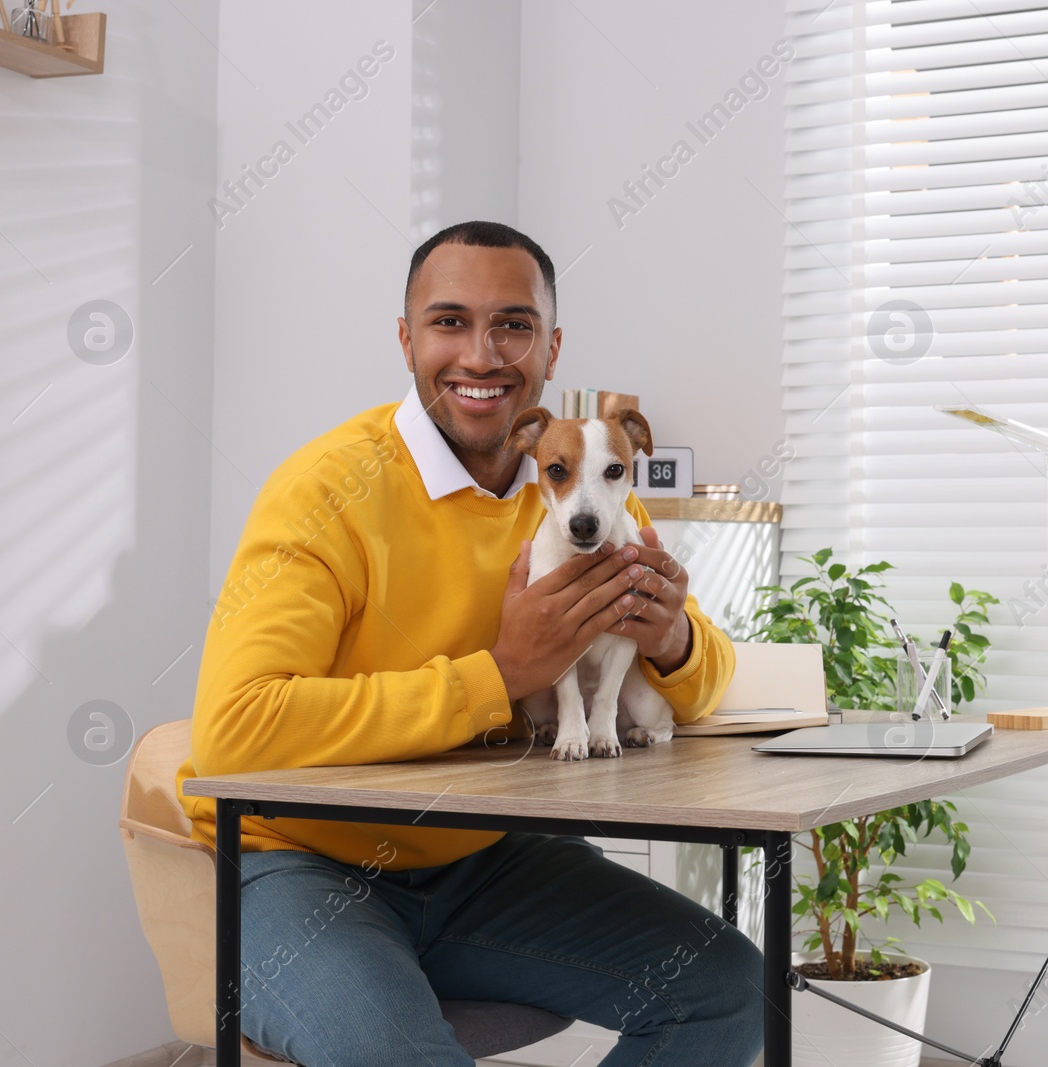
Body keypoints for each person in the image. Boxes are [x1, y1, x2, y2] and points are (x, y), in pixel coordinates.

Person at [175, 221, 763, 1066]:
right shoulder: (327, 488)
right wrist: (498, 675)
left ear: (551, 349)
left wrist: (673, 640)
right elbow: (232, 728)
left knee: (727, 987)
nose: (482, 355)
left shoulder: (582, 490)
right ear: (407, 339)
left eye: (514, 325)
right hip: (300, 860)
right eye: (449, 321)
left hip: (481, 855)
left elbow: (707, 682)